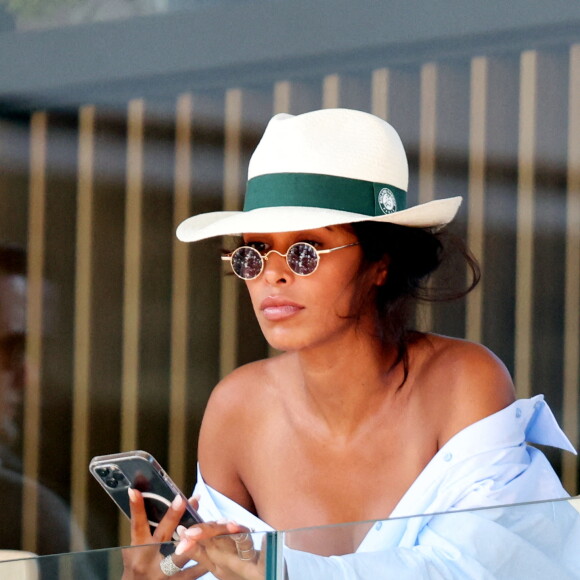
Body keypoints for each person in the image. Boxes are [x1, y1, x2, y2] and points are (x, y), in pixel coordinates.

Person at [122, 108, 579, 579]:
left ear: (380, 262)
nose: (273, 274)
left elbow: (476, 570)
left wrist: (277, 573)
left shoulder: (462, 380)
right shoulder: (236, 409)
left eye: (305, 251)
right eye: (254, 251)